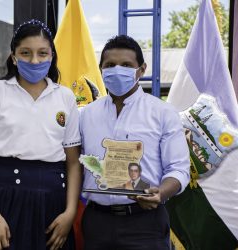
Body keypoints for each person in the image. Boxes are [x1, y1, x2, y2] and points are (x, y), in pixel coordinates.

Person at [0, 19, 81, 250]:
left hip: (53, 205)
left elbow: (74, 163)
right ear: (14, 57)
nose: (34, 60)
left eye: (42, 53)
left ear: (52, 56)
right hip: (3, 202)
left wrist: (70, 212)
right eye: (25, 53)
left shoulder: (65, 97)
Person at [79, 35, 190, 250]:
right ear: (101, 69)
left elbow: (179, 169)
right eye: (110, 65)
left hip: (145, 222)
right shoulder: (85, 115)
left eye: (126, 65)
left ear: (141, 70)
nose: (117, 70)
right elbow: (76, 162)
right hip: (96, 221)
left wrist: (160, 193)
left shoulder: (162, 112)